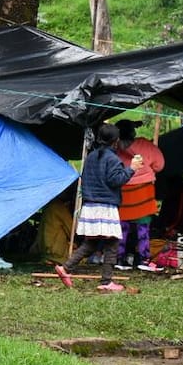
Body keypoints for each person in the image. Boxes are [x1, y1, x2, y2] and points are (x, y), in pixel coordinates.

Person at [55, 122, 137, 293]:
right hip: (105, 206)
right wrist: (132, 169)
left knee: (91, 243)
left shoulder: (91, 156)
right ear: (116, 141)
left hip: (90, 205)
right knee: (112, 243)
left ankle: (65, 268)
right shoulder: (113, 159)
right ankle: (106, 282)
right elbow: (116, 180)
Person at [113, 120, 165, 272]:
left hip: (123, 188)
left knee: (122, 227)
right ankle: (144, 259)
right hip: (144, 190)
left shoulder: (114, 148)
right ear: (133, 132)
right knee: (143, 227)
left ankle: (120, 259)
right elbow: (159, 165)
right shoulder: (146, 145)